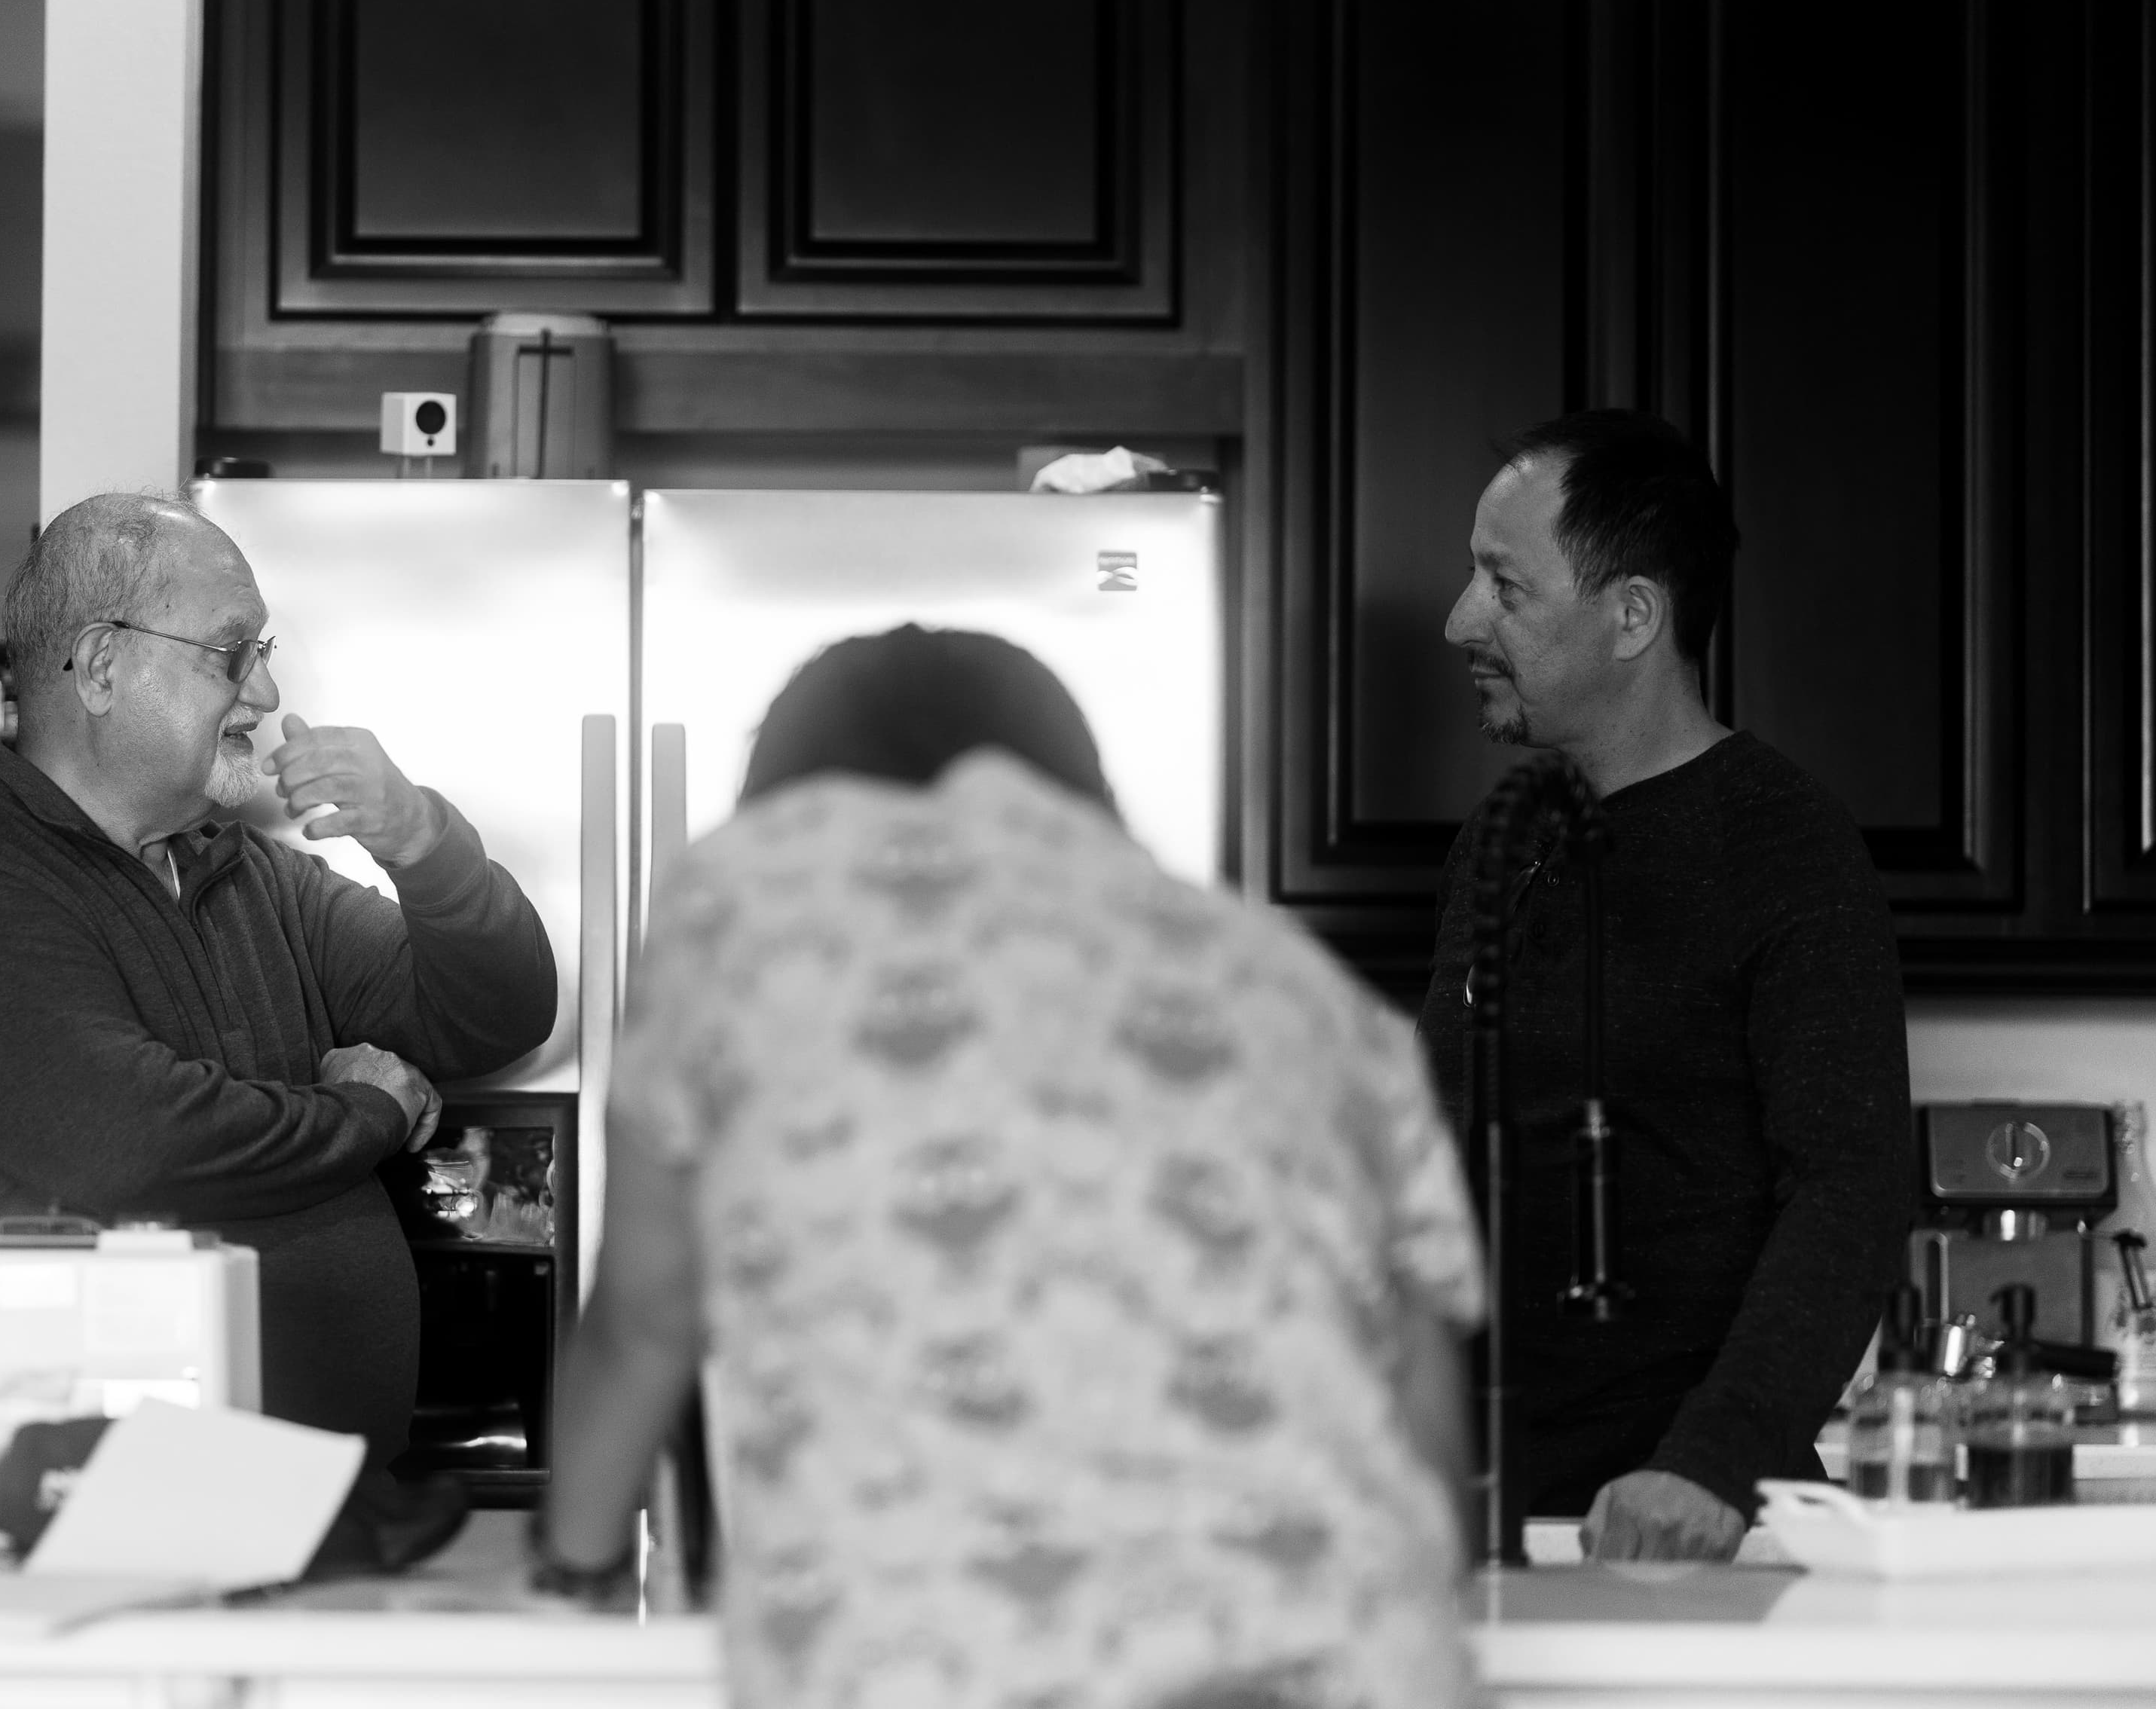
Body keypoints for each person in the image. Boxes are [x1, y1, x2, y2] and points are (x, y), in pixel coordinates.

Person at [543, 626, 1481, 1709]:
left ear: (786, 790)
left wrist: (579, 1563)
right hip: (1352, 1665)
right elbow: (1426, 1443)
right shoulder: (1303, 985)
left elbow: (646, 1321)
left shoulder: (742, 903)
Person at [0, 492, 556, 1466]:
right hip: (85, 1539)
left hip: (290, 1517)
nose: (263, 697)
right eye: (231, 655)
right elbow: (138, 1145)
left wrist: (425, 843)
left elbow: (495, 1016)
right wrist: (364, 1111)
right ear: (101, 667)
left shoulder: (242, 872)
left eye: (262, 655)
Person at [1420, 411, 1914, 1561]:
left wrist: (1710, 1464)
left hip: (1675, 1534)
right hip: (1491, 1527)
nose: (1459, 621)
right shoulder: (1500, 846)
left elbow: (1851, 1193)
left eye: (1504, 584)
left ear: (1633, 615)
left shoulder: (1783, 846)